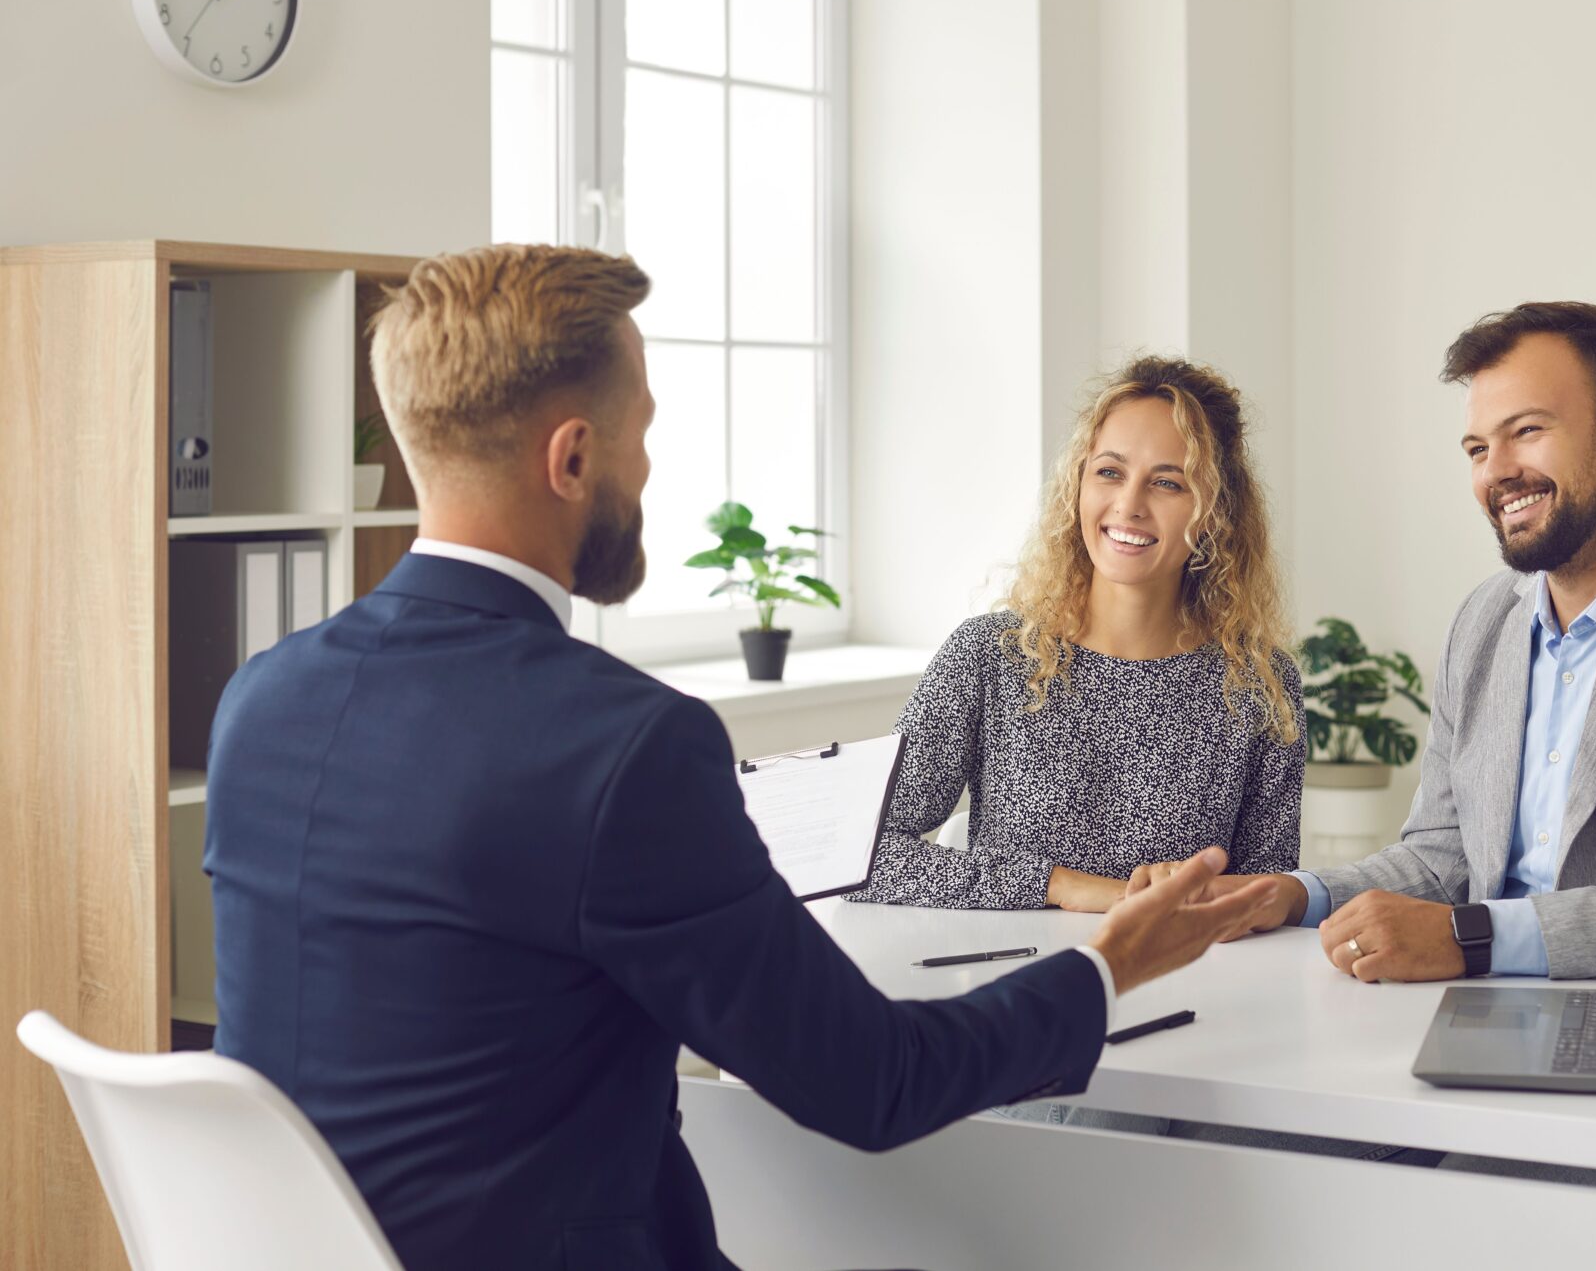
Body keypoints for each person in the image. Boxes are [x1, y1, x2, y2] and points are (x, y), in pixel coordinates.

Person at [202, 245, 1279, 1271]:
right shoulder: (623, 745)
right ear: (573, 457)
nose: (649, 464)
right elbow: (870, 1081)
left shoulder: (260, 703)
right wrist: (1107, 963)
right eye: (643, 433)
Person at [1130, 301, 1596, 1263]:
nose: (1495, 471)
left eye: (1527, 431)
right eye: (1476, 445)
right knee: (1196, 1159)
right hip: (1463, 1035)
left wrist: (1472, 937)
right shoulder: (1486, 623)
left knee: (1430, 1235)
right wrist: (1290, 894)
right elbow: (1441, 849)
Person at [846, 357, 1304, 913]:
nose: (1129, 506)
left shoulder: (1259, 685)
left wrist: (1218, 900)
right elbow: (857, 857)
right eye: (1109, 472)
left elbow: (1268, 903)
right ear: (1078, 484)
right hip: (1021, 989)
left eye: (1167, 483)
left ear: (1215, 513)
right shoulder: (990, 657)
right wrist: (1061, 887)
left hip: (1189, 989)